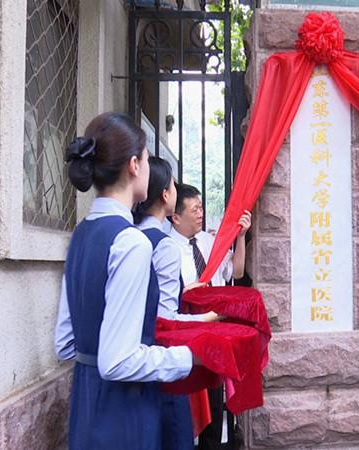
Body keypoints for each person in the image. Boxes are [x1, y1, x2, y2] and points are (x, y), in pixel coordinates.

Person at [53, 113, 201, 450]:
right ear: (134, 165)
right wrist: (190, 357)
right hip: (123, 412)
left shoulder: (81, 234)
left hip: (85, 407)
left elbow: (65, 343)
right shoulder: (131, 242)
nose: (148, 168)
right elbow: (118, 360)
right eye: (147, 159)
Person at [134, 157, 222, 450]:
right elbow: (165, 319)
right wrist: (206, 319)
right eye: (172, 184)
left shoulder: (123, 236)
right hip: (161, 357)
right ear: (164, 195)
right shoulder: (165, 246)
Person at [169, 182, 251, 450]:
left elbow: (236, 272)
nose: (200, 214)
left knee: (215, 403)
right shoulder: (167, 248)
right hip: (186, 335)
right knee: (188, 403)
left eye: (201, 207)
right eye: (194, 209)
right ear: (176, 217)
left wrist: (241, 237)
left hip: (214, 334)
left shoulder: (210, 242)